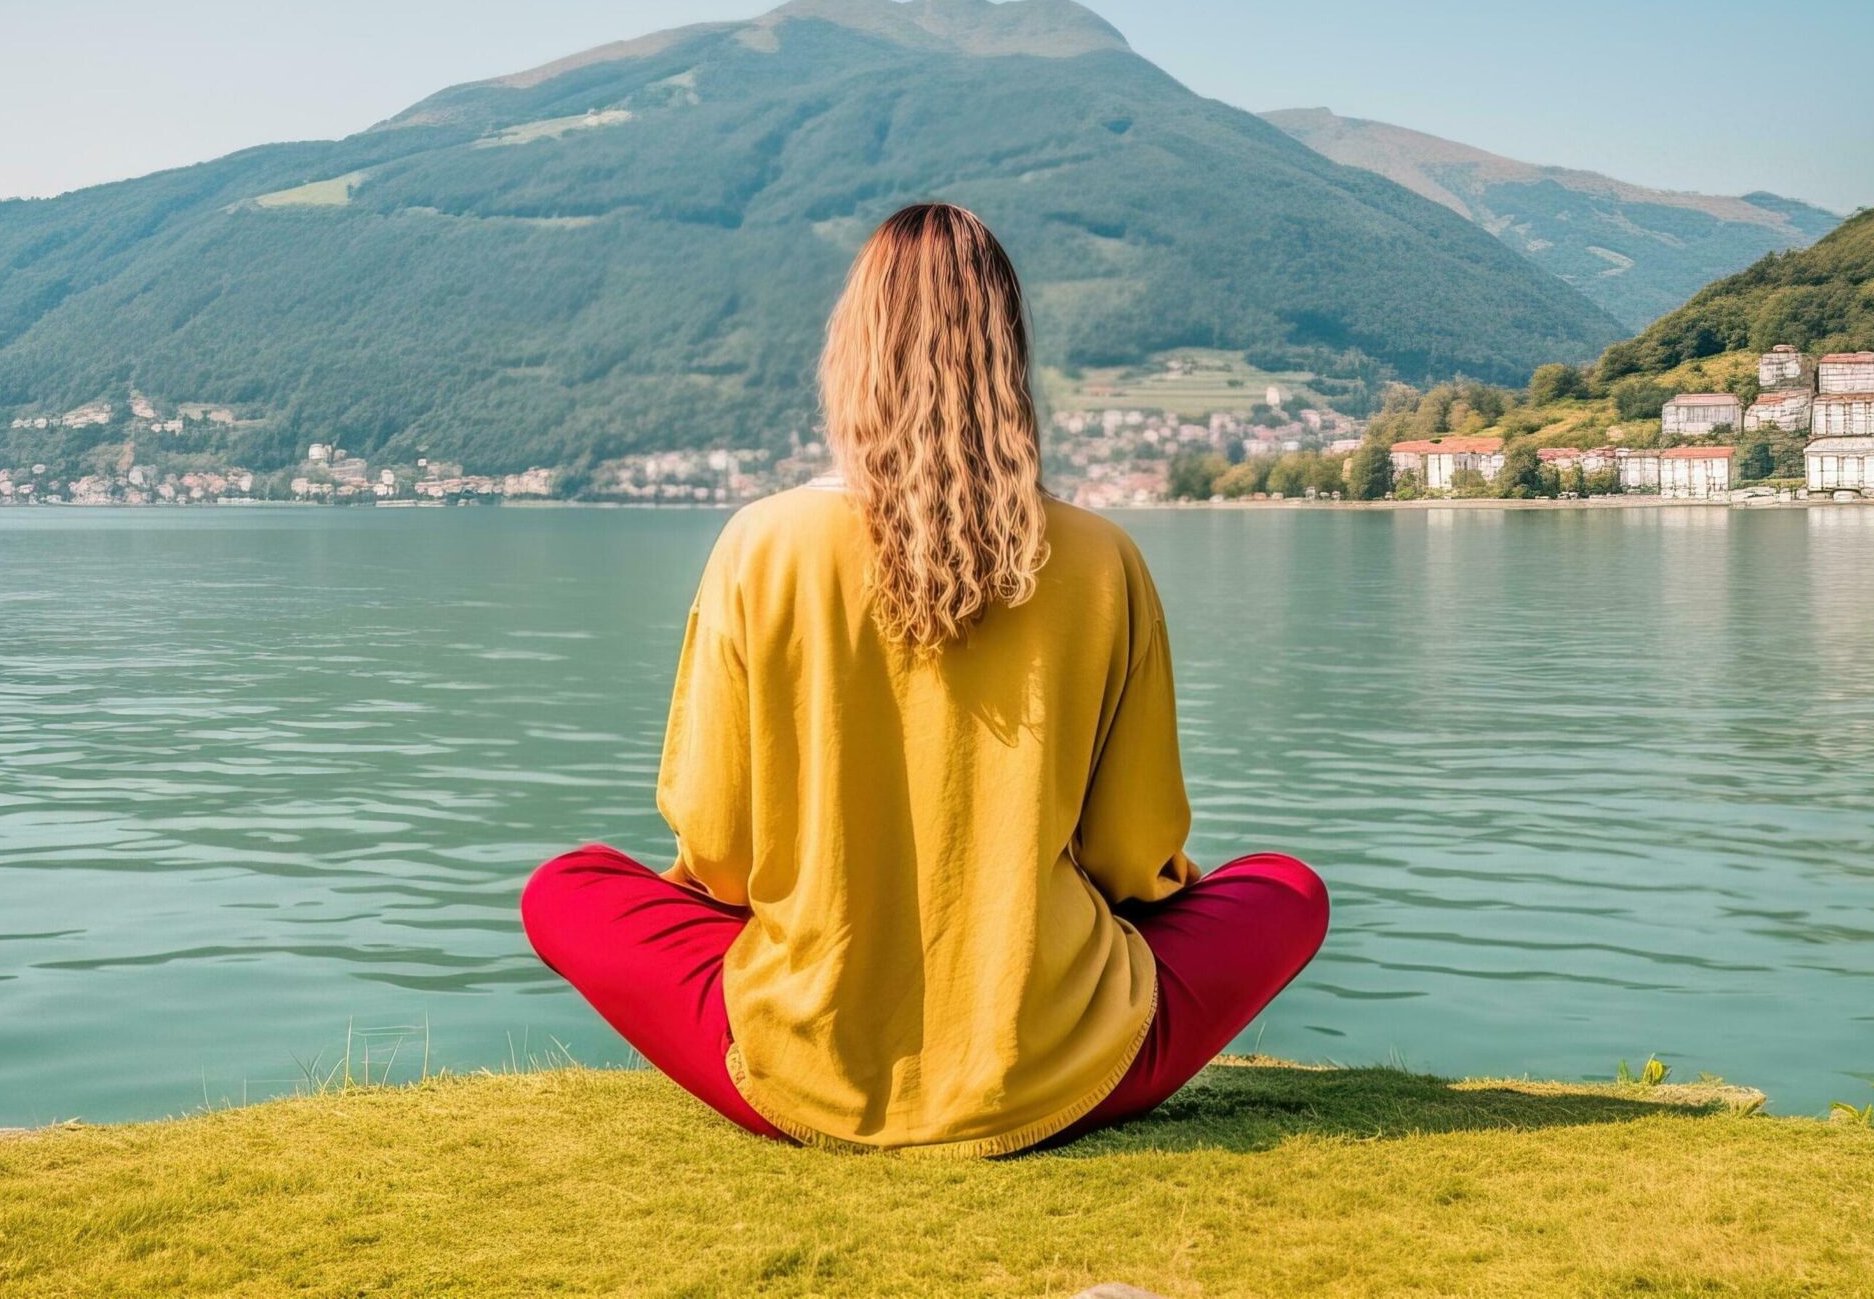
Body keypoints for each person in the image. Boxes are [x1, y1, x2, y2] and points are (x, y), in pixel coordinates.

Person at [521, 202, 1328, 1156]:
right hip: (1055, 1064)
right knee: (1287, 888)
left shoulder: (761, 544)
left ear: (851, 349)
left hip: (805, 1060)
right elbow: (1130, 858)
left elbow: (723, 853)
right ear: (1010, 354)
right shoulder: (1102, 558)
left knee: (565, 888)